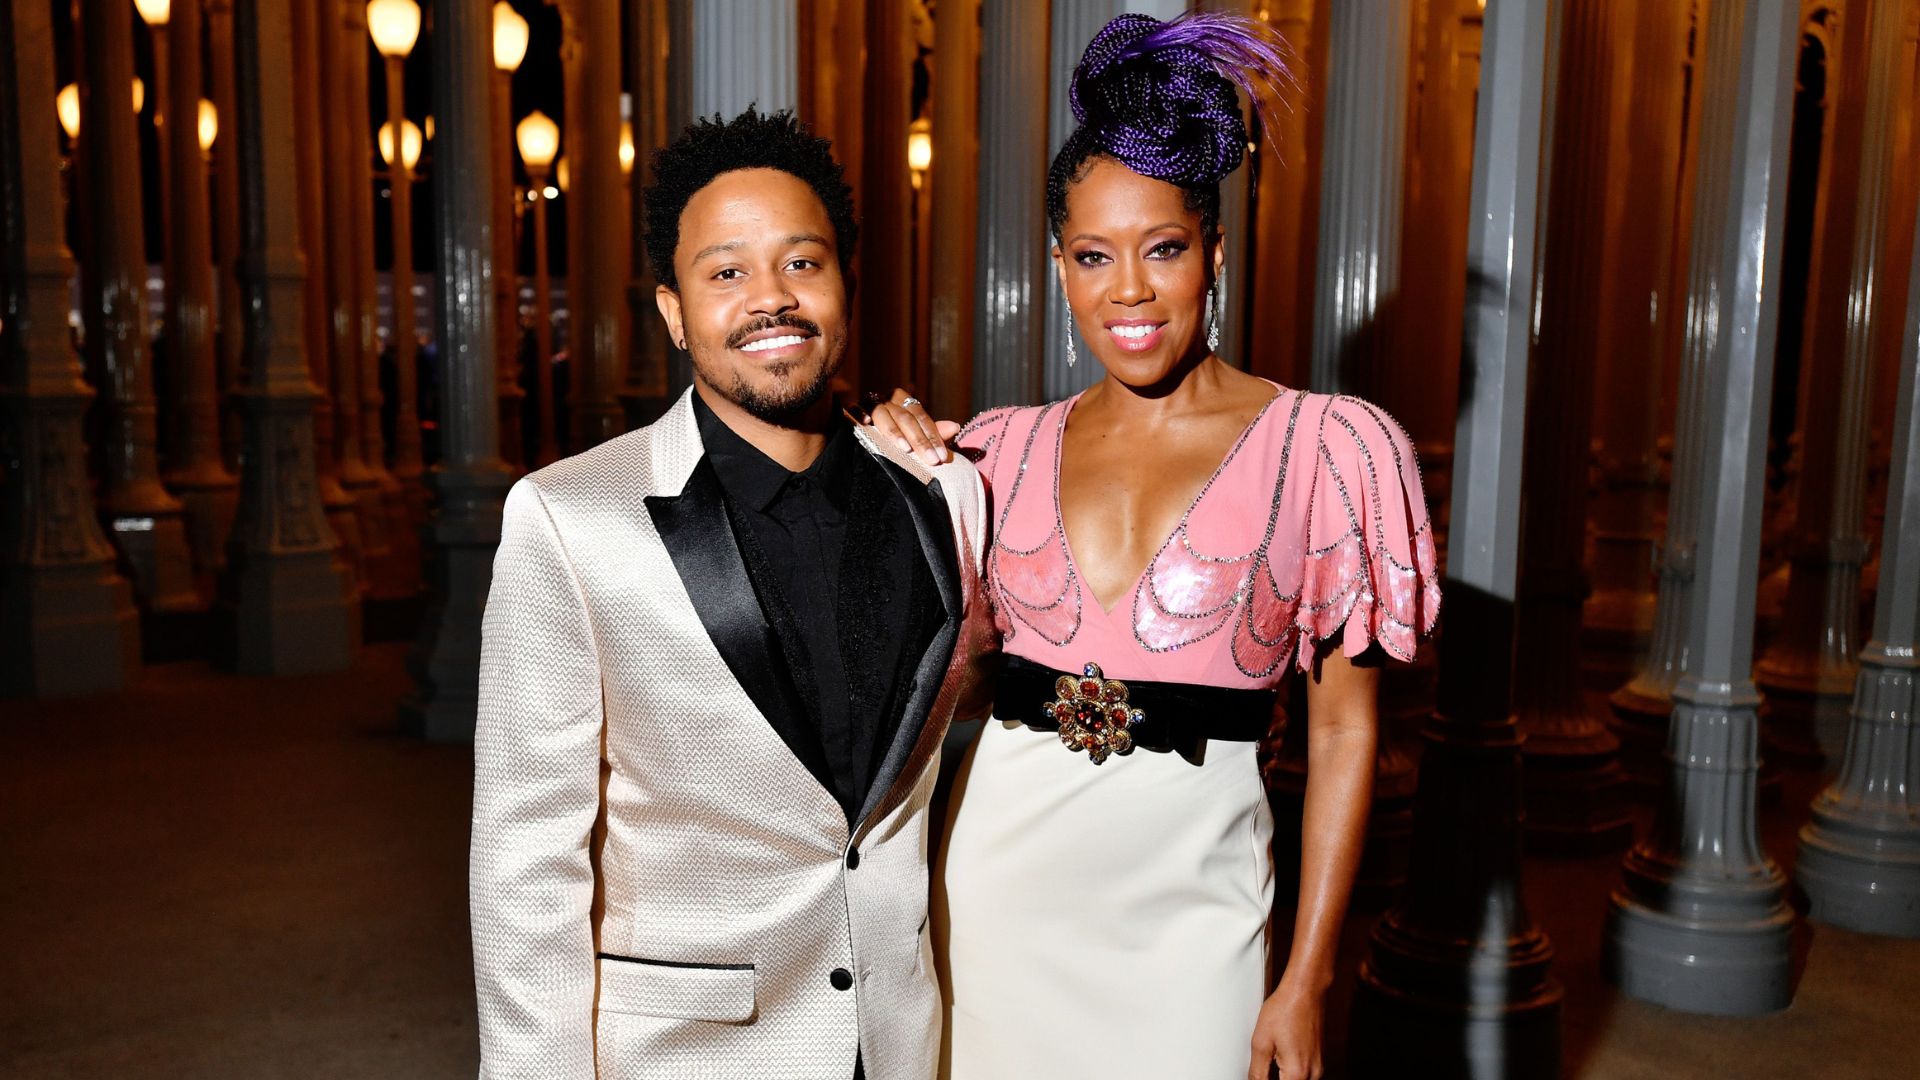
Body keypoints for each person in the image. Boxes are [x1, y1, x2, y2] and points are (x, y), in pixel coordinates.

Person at [867, 14, 1440, 1080]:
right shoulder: (993, 450)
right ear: (1059, 266)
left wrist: (1306, 978)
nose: (1127, 289)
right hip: (1000, 891)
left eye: (1163, 248)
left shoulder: (1328, 450)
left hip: (1197, 913)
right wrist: (888, 457)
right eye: (1094, 256)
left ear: (1213, 251)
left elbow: (1348, 735)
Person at [470, 107, 992, 1080]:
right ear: (671, 308)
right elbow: (524, 867)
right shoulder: (568, 520)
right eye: (726, 272)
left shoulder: (942, 490)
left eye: (802, 262)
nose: (772, 298)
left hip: (898, 1038)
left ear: (843, 282)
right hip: (682, 1054)